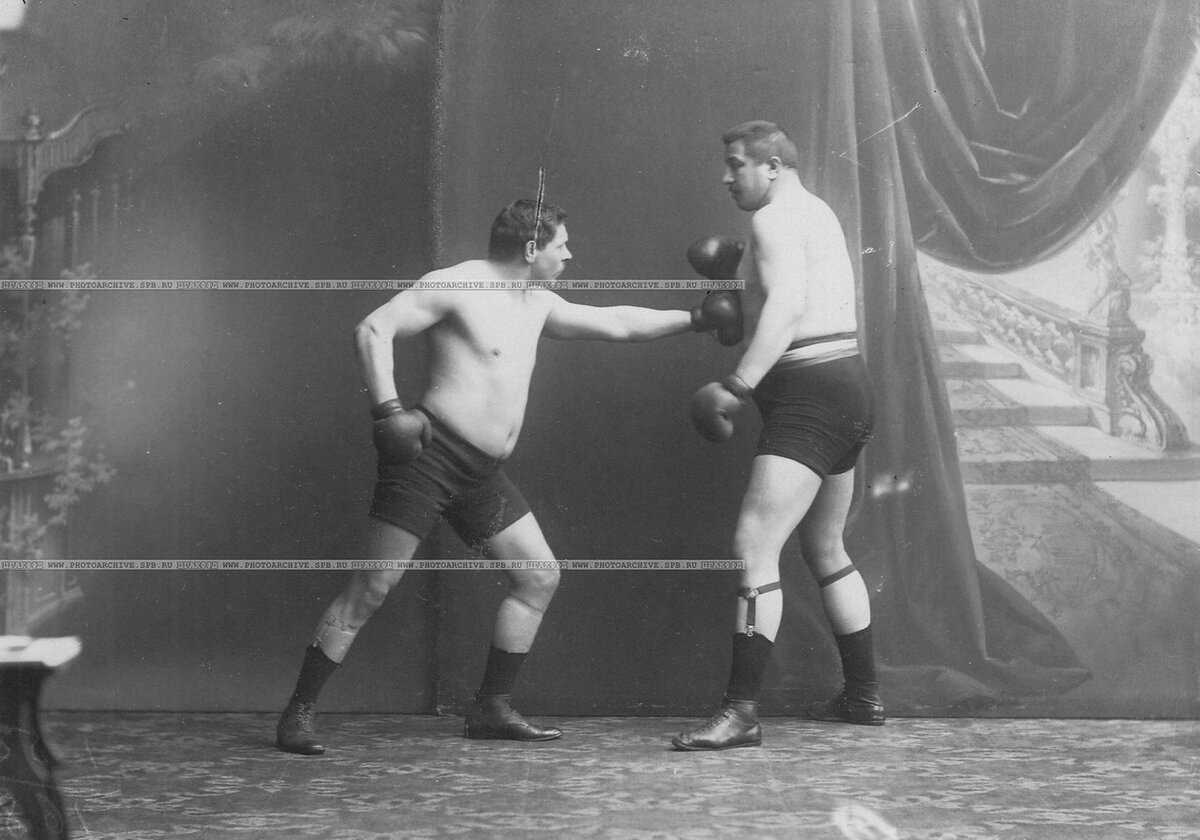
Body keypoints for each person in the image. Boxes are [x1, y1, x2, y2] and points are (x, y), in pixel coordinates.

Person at [277, 198, 739, 755]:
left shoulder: (536, 302)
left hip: (479, 473)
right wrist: (387, 410)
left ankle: (491, 708)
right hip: (428, 457)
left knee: (539, 576)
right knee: (373, 586)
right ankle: (298, 713)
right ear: (530, 248)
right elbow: (374, 328)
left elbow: (616, 323)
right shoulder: (458, 284)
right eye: (561, 245)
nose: (570, 255)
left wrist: (695, 319)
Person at [672, 121, 882, 751]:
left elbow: (789, 309)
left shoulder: (772, 220)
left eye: (737, 164)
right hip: (847, 389)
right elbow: (782, 309)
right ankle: (863, 697)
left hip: (809, 397)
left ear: (772, 166)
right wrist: (733, 295)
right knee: (826, 547)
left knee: (753, 545)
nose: (726, 177)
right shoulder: (816, 213)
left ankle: (740, 712)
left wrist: (737, 386)